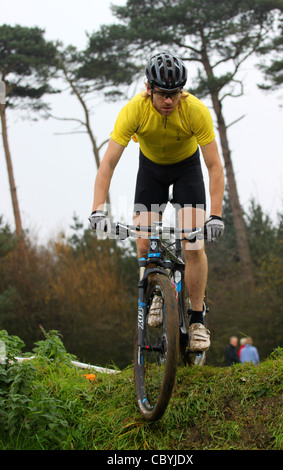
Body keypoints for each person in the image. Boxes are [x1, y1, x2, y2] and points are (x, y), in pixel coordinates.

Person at [89, 52, 225, 352]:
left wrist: (215, 215)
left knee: (193, 243)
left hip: (187, 170)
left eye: (174, 95)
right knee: (142, 243)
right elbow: (108, 163)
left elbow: (215, 166)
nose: (169, 102)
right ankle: (159, 295)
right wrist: (98, 209)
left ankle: (198, 318)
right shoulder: (133, 111)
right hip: (150, 172)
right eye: (163, 94)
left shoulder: (196, 111)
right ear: (149, 88)